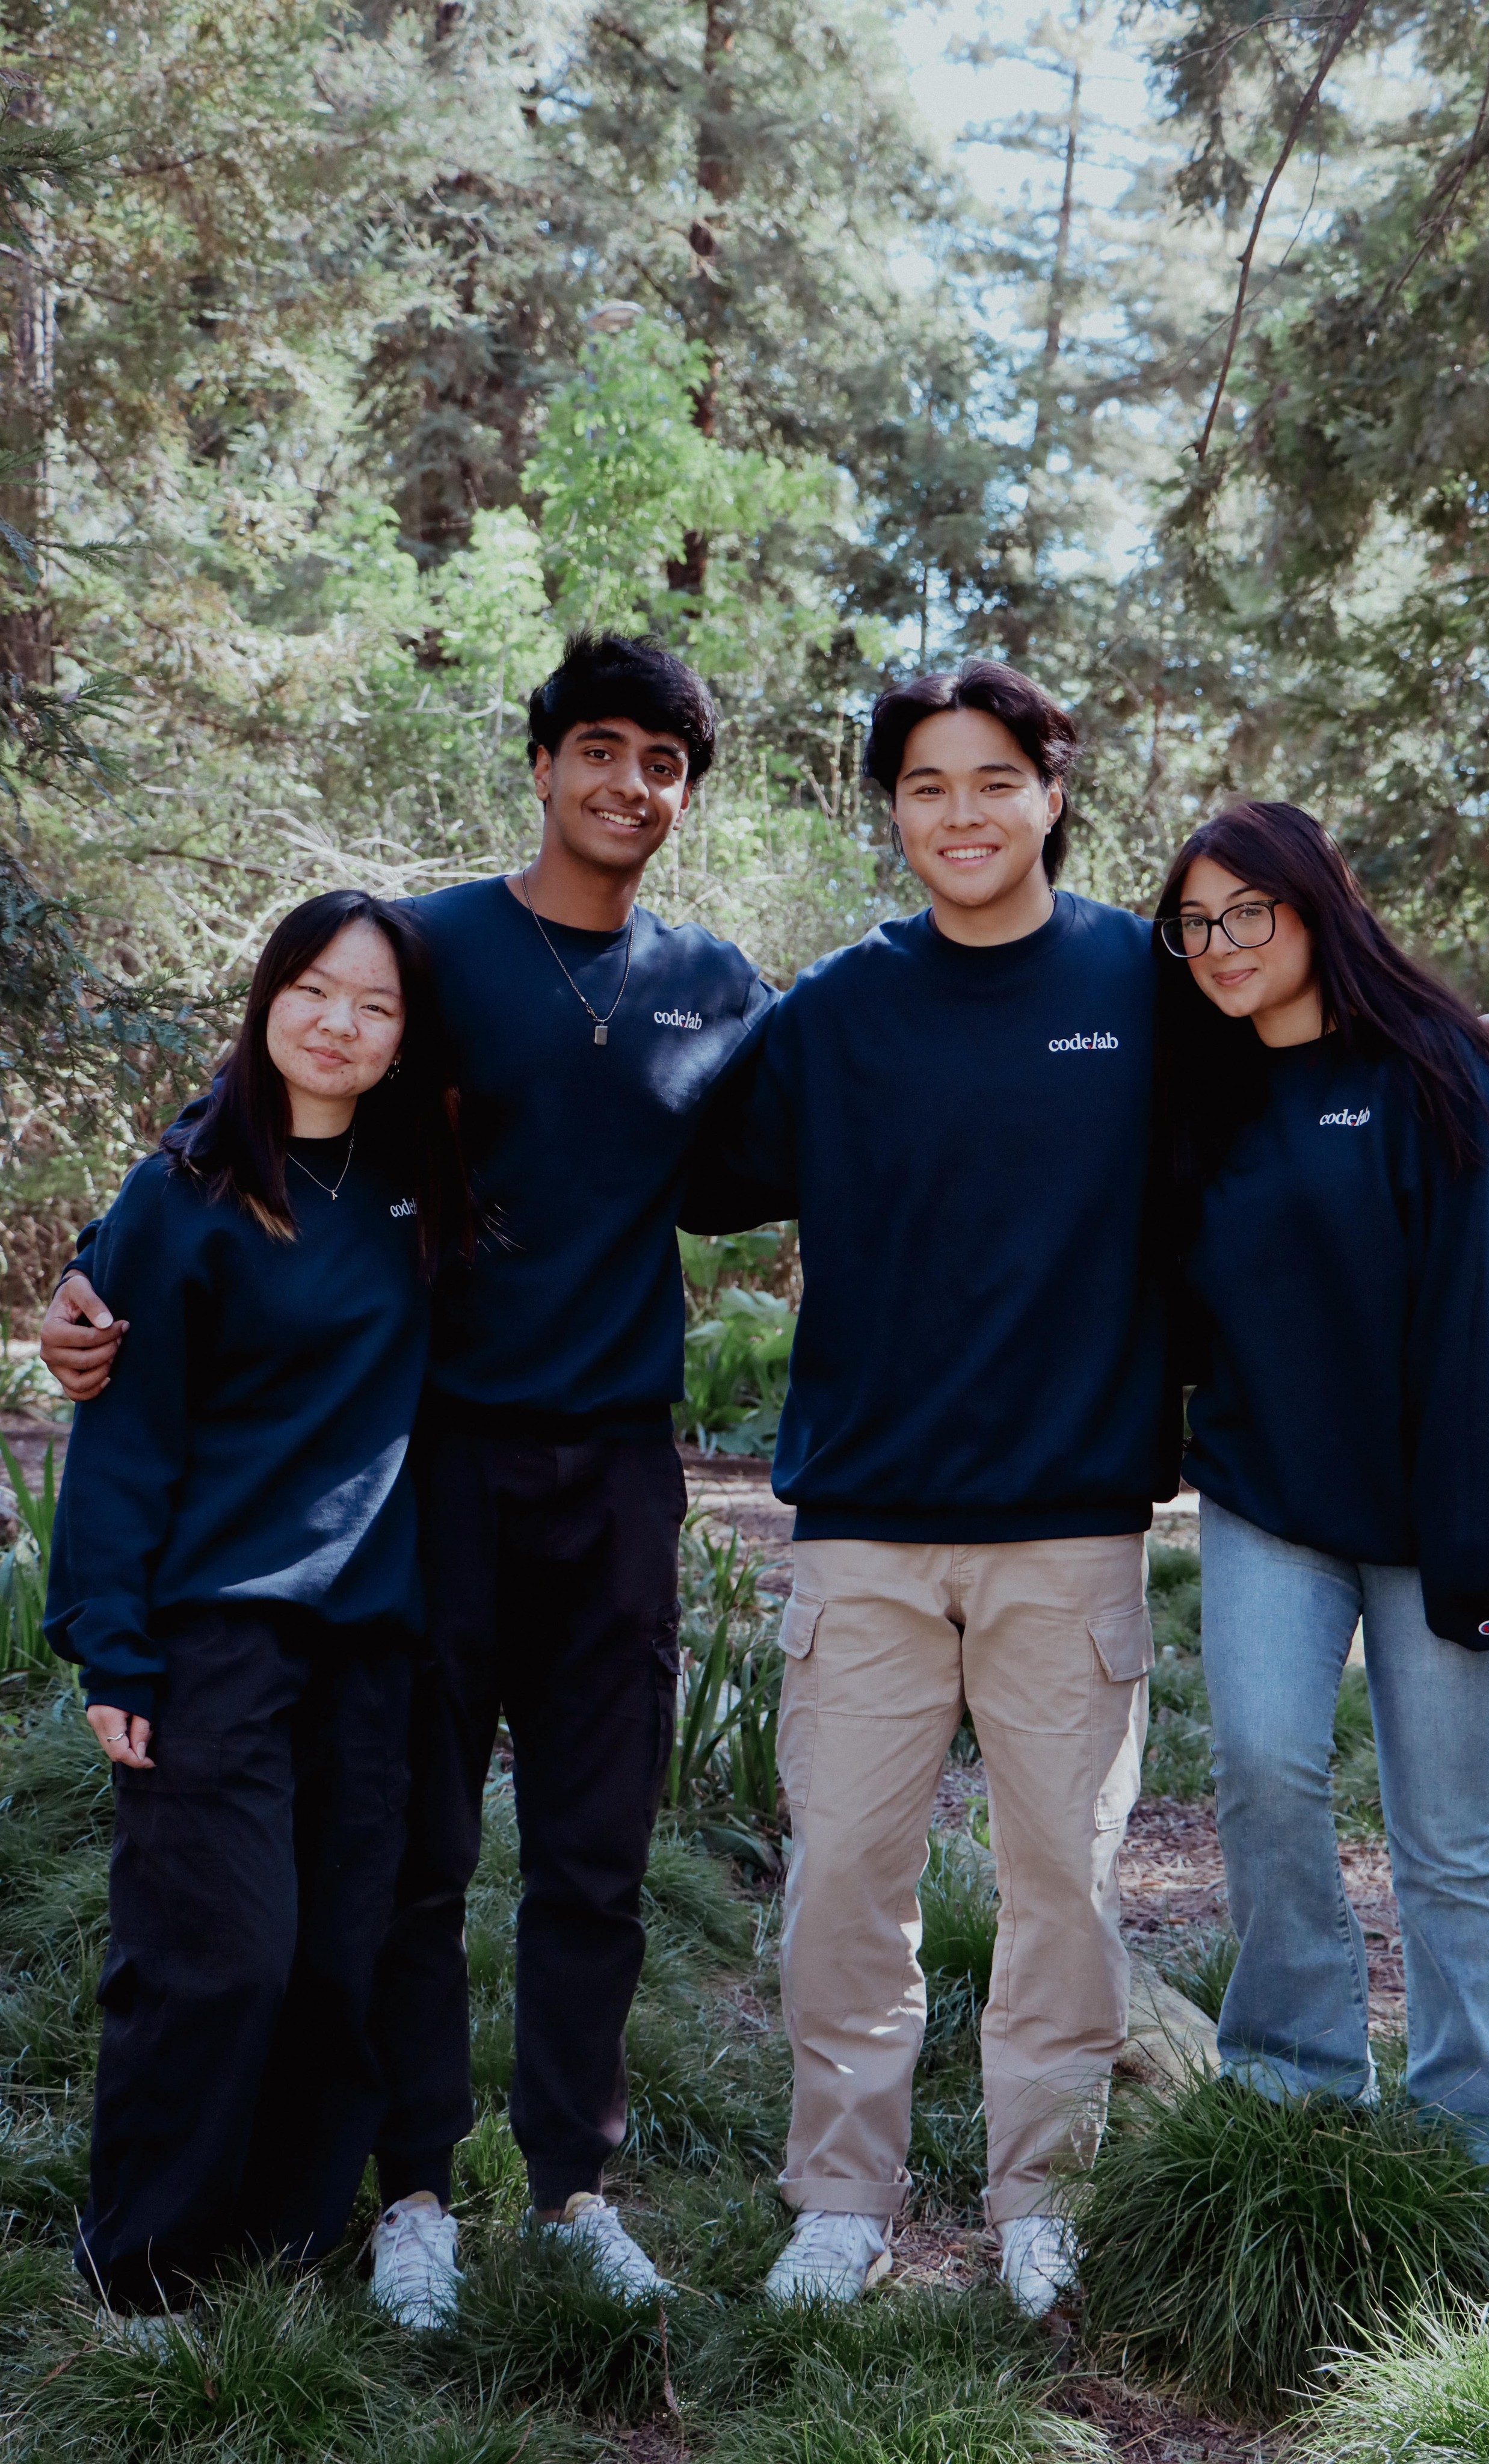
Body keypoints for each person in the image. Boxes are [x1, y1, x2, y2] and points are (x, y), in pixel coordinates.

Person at [704, 663, 1489, 2318]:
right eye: (928, 785)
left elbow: (1304, 1042)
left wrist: (1464, 1049)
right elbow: (682, 1162)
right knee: (845, 1882)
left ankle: (1047, 2200)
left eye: (993, 780)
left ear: (1049, 793)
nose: (961, 813)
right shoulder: (840, 1004)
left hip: (1072, 1522)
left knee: (1063, 1891)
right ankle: (840, 2200)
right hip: (865, 1519)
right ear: (891, 809)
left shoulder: (1141, 980)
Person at [43, 633, 776, 2328]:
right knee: (412, 1857)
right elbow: (270, 1085)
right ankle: (414, 2188)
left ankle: (573, 2188)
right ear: (540, 764)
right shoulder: (435, 946)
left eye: (661, 763)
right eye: (597, 749)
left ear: (684, 793)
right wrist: (99, 1282)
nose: (626, 786)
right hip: (429, 1465)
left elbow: (799, 1147)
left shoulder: (715, 986)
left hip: (616, 1472)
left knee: (594, 1847)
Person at [45, 890, 467, 2315]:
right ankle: (140, 2270)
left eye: (377, 1004)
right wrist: (112, 1642)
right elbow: (125, 1426)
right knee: (216, 1954)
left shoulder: (423, 1169)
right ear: (268, 994)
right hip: (214, 1620)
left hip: (373, 1630)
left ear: (409, 1036)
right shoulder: (187, 1185)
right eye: (315, 991)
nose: (340, 1025)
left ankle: (282, 2255)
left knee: (337, 1956)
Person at [1154, 799, 1489, 2206]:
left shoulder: (1444, 1074)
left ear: (1317, 904)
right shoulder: (1194, 1095)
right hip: (1271, 1501)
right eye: (1194, 923)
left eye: (1245, 913)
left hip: (1437, 1513)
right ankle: (1293, 2088)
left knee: (1446, 1844)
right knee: (1263, 1774)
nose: (1219, 946)